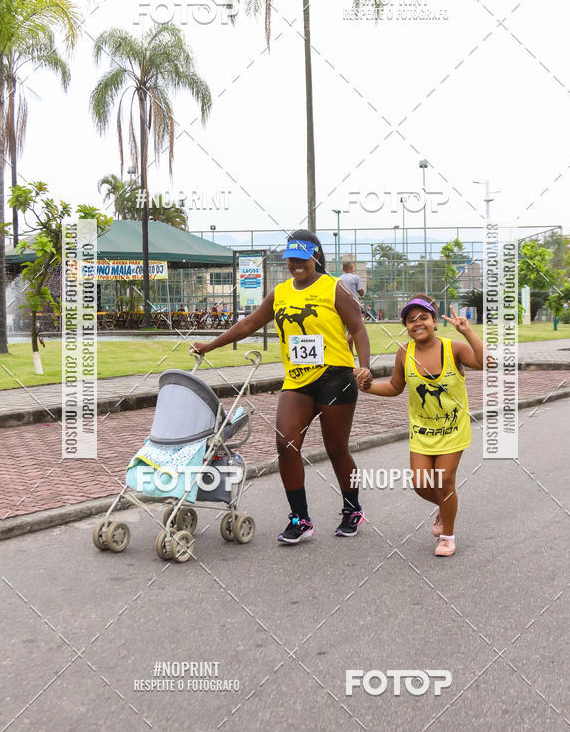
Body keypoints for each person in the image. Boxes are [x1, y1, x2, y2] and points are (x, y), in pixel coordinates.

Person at [191, 229, 372, 543]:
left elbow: (358, 327)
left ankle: (352, 507)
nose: (295, 266)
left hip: (336, 378)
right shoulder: (280, 292)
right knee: (286, 444)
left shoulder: (334, 288)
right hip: (298, 382)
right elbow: (248, 323)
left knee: (336, 449)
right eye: (290, 261)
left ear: (314, 258)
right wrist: (211, 345)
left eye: (301, 260)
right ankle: (300, 518)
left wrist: (365, 365)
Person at [356, 295, 484, 558]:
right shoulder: (405, 352)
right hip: (422, 431)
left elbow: (484, 362)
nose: (417, 323)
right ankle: (446, 507)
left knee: (445, 479)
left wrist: (468, 331)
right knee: (420, 483)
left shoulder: (453, 348)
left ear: (435, 321)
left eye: (423, 317)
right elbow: (394, 387)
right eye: (411, 320)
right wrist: (368, 388)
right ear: (406, 326)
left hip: (453, 430)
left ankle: (447, 536)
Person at [338, 259, 365, 355]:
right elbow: (361, 292)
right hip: (354, 306)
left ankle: (350, 354)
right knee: (356, 329)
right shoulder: (355, 278)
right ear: (351, 268)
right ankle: (341, 344)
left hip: (341, 306)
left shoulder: (339, 279)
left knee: (349, 329)